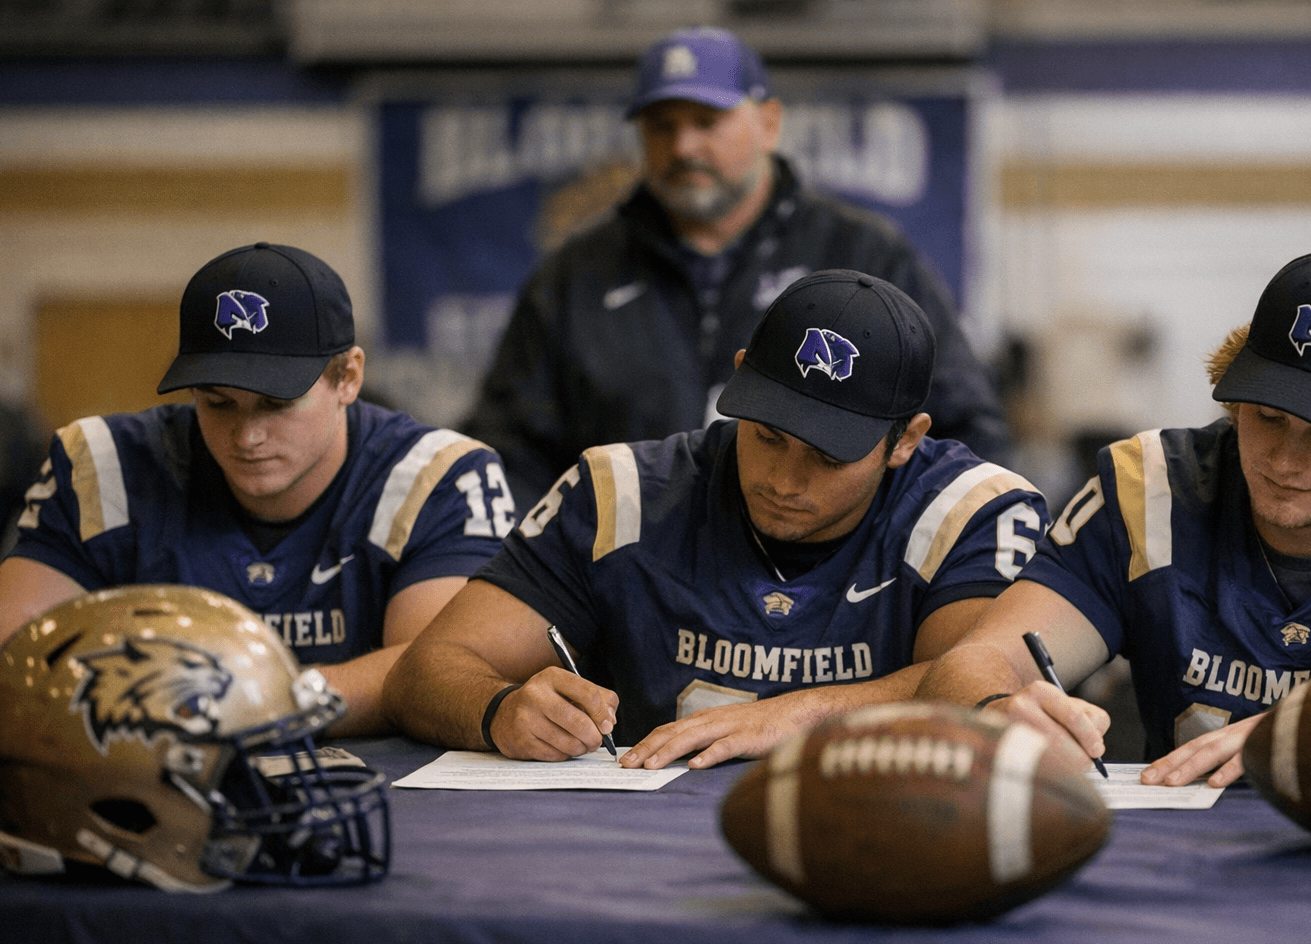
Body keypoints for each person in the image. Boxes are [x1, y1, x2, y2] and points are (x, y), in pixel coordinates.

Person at [917, 246, 1311, 786]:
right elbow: (969, 663)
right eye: (1267, 417)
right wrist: (1000, 707)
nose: (1285, 459)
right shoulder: (1149, 490)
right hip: (1185, 874)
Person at [386, 270, 1047, 770]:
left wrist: (802, 714)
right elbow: (426, 670)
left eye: (827, 454)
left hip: (885, 837)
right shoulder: (622, 493)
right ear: (740, 381)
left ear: (906, 439)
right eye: (767, 435)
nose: (786, 480)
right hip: (638, 843)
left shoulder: (972, 510)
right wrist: (498, 709)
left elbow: (977, 681)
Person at [460, 25, 1010, 504]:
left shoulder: (866, 258)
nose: (684, 145)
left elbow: (963, 435)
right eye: (661, 125)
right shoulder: (571, 278)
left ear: (769, 123)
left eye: (707, 120)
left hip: (834, 593)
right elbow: (511, 453)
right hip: (620, 591)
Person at [0, 242, 514, 736]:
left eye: (275, 403)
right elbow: (12, 656)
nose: (247, 436)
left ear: (348, 377)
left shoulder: (439, 476)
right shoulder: (104, 467)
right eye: (217, 403)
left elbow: (435, 674)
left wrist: (232, 706)